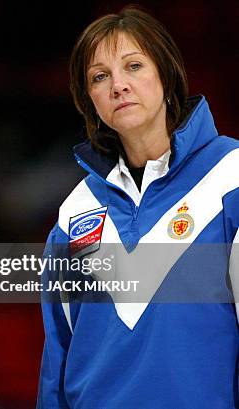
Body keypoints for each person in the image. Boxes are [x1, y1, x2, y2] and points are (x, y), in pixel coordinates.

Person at [37, 7, 238, 409]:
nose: (119, 86)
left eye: (133, 66)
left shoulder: (230, 176)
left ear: (166, 75)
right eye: (100, 77)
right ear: (89, 100)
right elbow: (58, 353)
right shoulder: (75, 211)